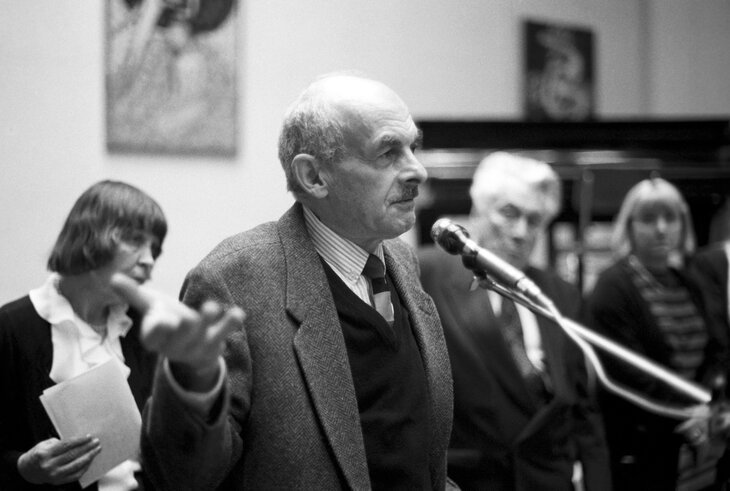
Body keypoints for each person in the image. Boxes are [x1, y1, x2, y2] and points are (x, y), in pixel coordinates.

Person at [111, 73, 455, 490]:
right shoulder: (233, 280)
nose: (417, 170)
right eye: (387, 152)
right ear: (313, 177)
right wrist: (192, 382)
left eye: (413, 147)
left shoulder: (401, 261)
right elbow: (185, 478)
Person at [419, 151, 611, 491]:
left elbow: (582, 410)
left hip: (548, 480)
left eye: (534, 220)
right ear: (478, 210)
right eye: (509, 213)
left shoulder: (559, 294)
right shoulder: (427, 273)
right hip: (471, 480)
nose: (521, 232)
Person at [0, 180, 166, 490]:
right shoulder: (11, 328)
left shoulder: (146, 328)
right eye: (135, 241)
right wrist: (23, 468)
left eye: (154, 249)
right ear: (89, 237)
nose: (149, 260)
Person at [584, 177, 728, 491]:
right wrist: (688, 412)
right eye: (649, 219)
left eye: (670, 218)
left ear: (683, 224)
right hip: (639, 446)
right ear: (630, 226)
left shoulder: (689, 280)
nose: (661, 229)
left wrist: (709, 405)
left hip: (698, 441)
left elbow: (717, 349)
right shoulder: (612, 286)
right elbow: (629, 372)